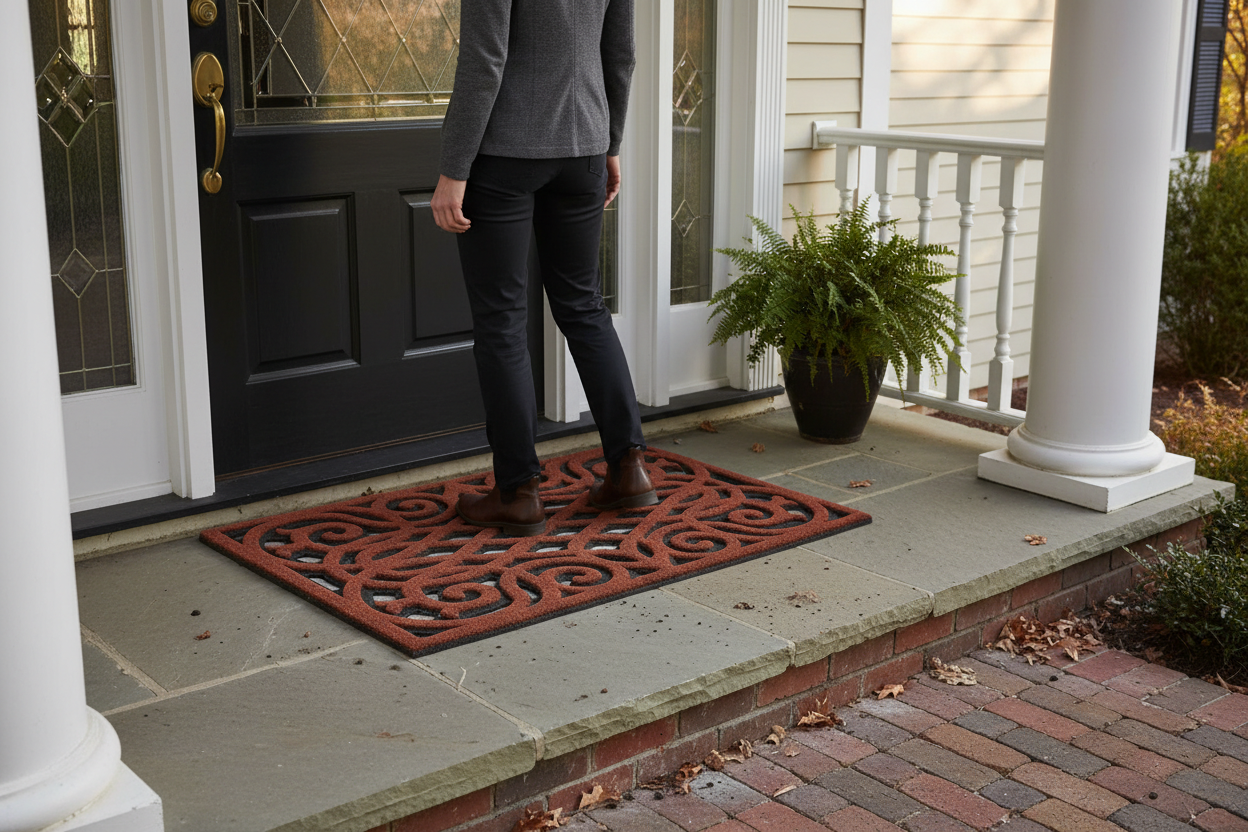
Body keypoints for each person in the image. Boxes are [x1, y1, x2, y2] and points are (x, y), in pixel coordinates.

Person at [430, 0, 656, 537]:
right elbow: (619, 55)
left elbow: (485, 57)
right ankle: (629, 471)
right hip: (584, 144)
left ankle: (518, 492)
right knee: (584, 308)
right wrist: (611, 142)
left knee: (502, 322)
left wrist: (453, 169)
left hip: (506, 152)